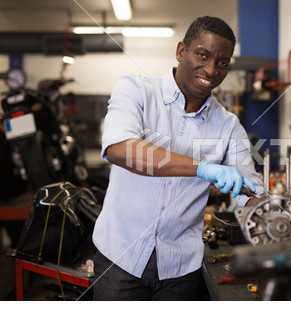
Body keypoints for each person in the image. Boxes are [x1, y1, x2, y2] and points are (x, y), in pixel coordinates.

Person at [92, 16, 263, 301]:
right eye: (202, 55)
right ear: (181, 51)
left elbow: (251, 190)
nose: (211, 69)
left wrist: (270, 211)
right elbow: (120, 149)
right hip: (119, 256)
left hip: (180, 269)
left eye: (222, 63)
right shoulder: (137, 90)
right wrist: (203, 168)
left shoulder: (229, 125)